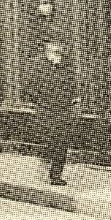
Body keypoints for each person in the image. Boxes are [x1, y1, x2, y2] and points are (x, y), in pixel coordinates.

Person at [29, 40, 77, 187]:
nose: (58, 52)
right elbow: (31, 87)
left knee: (61, 142)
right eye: (54, 49)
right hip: (46, 110)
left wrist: (72, 100)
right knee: (51, 141)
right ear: (47, 49)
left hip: (63, 110)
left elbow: (72, 84)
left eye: (59, 49)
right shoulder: (38, 64)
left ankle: (56, 174)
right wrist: (40, 102)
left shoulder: (66, 65)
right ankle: (49, 167)